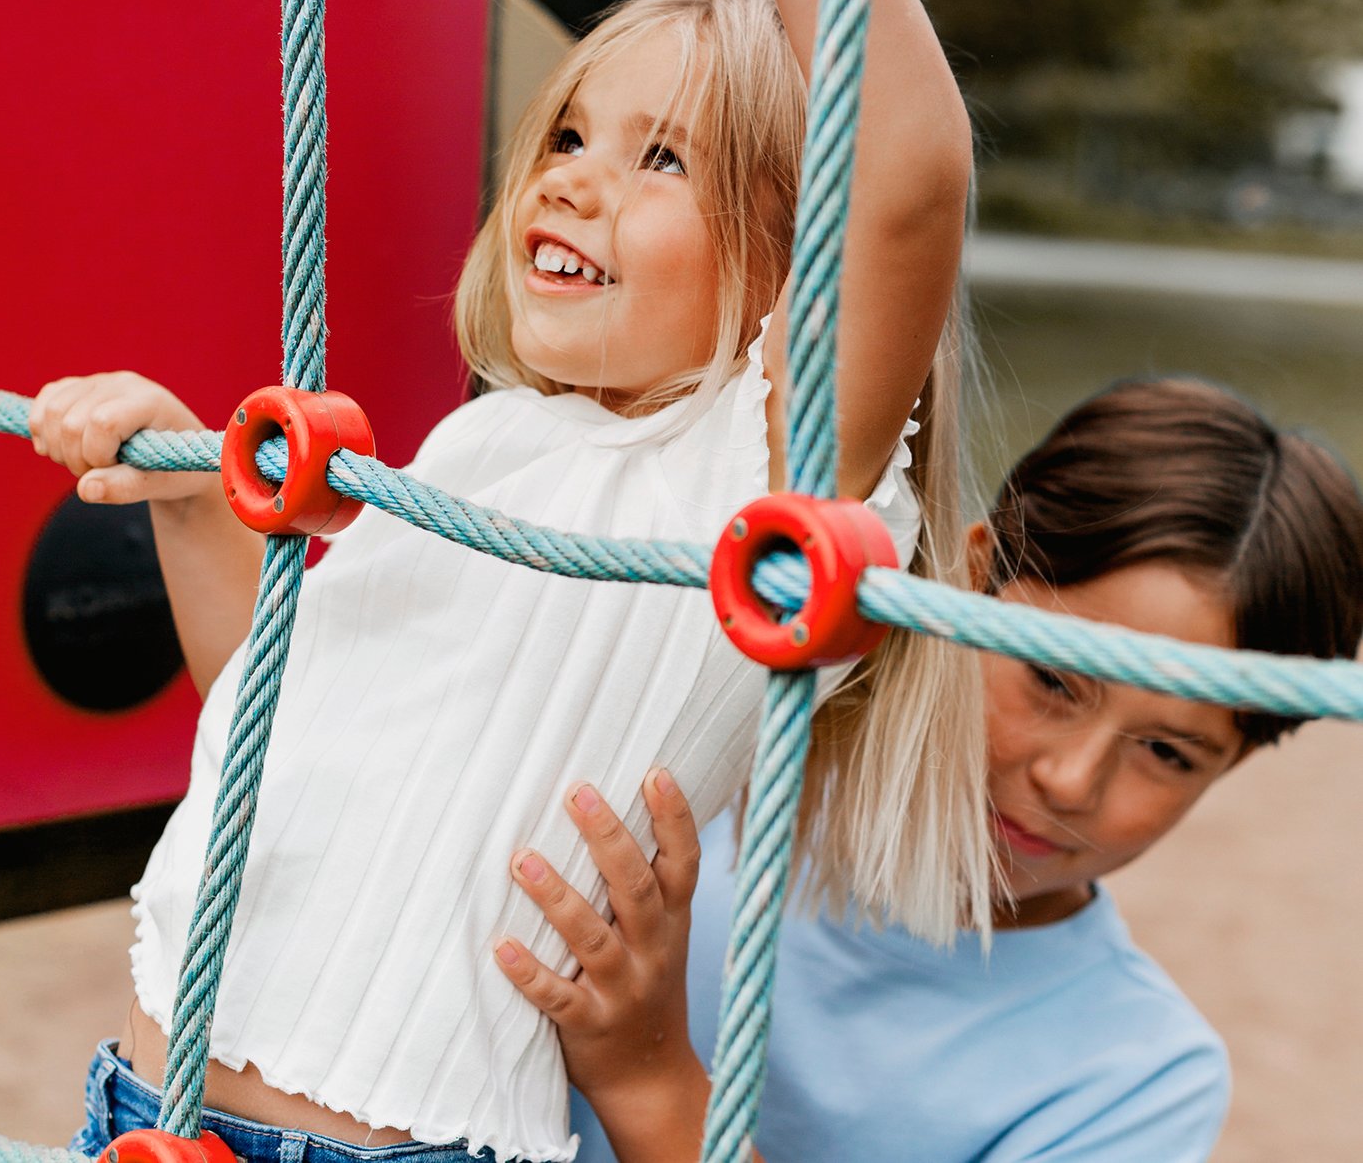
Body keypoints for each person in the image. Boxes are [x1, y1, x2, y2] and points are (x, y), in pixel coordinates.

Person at [33, 0, 985, 1159]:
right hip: (143, 1112)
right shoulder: (489, 447)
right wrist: (190, 497)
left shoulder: (753, 480)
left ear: (787, 276)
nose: (576, 176)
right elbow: (283, 727)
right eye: (570, 132)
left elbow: (912, 179)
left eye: (667, 161)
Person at [495, 377, 1363, 1162]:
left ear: (1238, 759)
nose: (1070, 780)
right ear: (972, 577)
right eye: (1054, 679)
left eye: (1167, 752)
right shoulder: (718, 780)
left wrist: (652, 1083)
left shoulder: (1135, 1076)